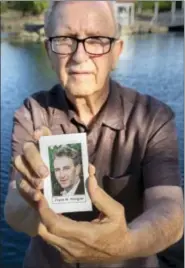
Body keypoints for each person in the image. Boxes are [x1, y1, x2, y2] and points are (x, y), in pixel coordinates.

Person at [4, 1, 183, 268]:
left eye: (97, 40)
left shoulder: (153, 117)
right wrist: (34, 202)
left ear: (116, 52)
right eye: (64, 39)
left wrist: (125, 245)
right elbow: (14, 209)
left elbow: (171, 208)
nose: (79, 56)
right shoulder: (33, 113)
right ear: (49, 52)